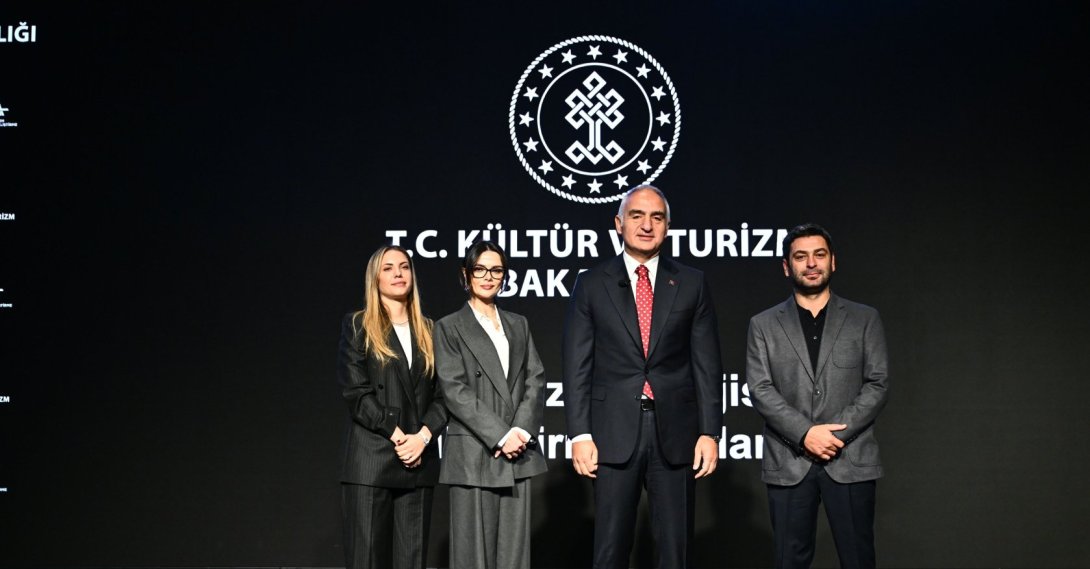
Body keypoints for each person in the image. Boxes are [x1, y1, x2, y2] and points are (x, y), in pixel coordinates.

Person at [562, 185, 723, 569]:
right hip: (612, 432)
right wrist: (580, 434)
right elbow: (577, 364)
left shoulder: (692, 282)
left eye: (657, 217)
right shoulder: (591, 282)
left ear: (668, 226)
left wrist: (709, 432)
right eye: (637, 216)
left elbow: (707, 364)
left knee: (675, 552)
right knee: (610, 551)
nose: (647, 225)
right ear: (618, 224)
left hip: (677, 433)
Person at [745, 223, 889, 569]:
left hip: (850, 458)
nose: (811, 263)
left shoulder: (864, 318)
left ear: (833, 261)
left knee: (859, 560)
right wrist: (806, 433)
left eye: (819, 255)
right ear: (786, 266)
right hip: (789, 461)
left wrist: (832, 435)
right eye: (801, 256)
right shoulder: (763, 324)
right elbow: (760, 388)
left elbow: (877, 383)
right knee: (789, 562)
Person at [434, 240, 548, 569]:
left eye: (496, 270)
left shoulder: (518, 323)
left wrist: (520, 431)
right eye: (480, 269)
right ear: (466, 274)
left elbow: (535, 377)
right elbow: (454, 389)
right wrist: (500, 435)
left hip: (517, 451)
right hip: (475, 450)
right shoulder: (448, 326)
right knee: (472, 556)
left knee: (514, 555)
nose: (488, 277)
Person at [337, 244, 448, 569]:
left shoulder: (431, 330)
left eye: (404, 266)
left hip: (418, 461)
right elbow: (356, 393)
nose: (398, 273)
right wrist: (399, 437)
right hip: (372, 460)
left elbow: (445, 396)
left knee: (412, 561)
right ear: (375, 278)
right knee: (367, 560)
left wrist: (422, 438)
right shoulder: (358, 325)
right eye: (388, 268)